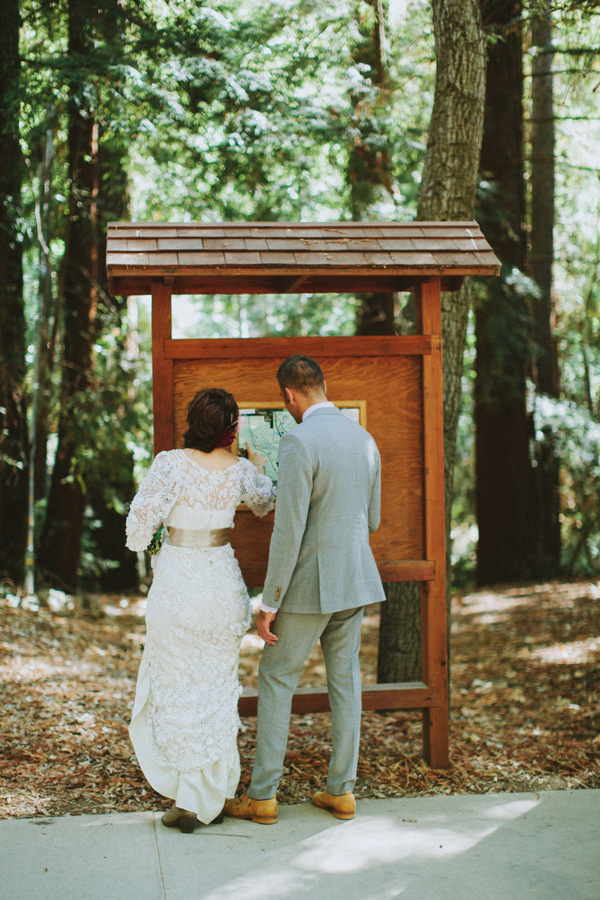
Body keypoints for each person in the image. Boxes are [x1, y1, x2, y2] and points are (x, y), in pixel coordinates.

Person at [225, 355, 385, 825]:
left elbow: (289, 529)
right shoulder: (364, 439)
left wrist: (269, 600)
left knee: (276, 678)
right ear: (322, 385)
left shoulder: (297, 441)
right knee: (346, 680)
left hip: (309, 586)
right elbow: (372, 520)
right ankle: (342, 791)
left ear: (288, 396)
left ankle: (263, 796)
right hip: (354, 581)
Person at [125, 388, 275, 832]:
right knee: (215, 688)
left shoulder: (169, 464)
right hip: (221, 586)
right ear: (231, 429)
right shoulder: (242, 470)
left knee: (177, 687)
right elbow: (265, 503)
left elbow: (137, 530)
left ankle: (188, 798)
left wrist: (156, 529)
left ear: (193, 421)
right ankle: (208, 795)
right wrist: (259, 466)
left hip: (178, 585)